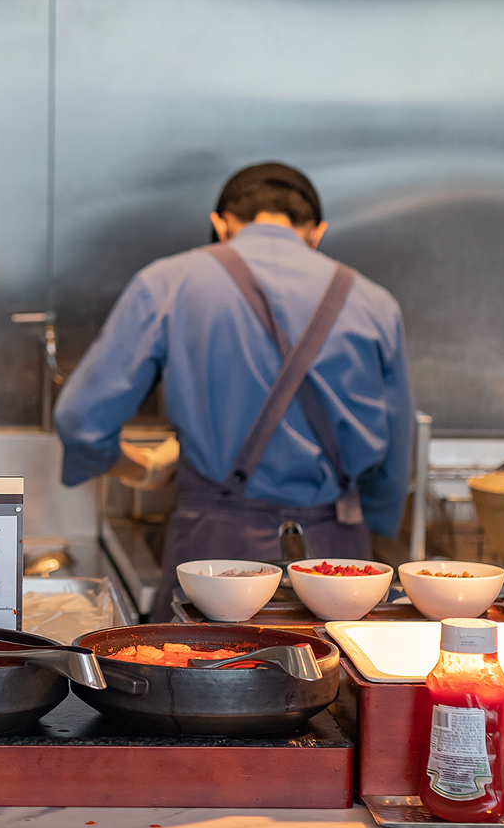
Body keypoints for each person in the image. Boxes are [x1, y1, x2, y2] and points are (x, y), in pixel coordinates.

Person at [54, 162, 413, 616]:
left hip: (215, 561)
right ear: (316, 232)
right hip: (336, 568)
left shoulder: (167, 282)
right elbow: (395, 460)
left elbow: (81, 422)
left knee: (205, 660)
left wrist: (140, 468)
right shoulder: (376, 304)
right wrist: (366, 526)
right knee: (331, 663)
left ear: (221, 224)